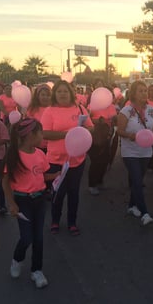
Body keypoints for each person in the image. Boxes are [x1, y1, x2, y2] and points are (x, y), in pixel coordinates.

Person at [2, 118, 59, 288]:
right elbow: (5, 182)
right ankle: (17, 260)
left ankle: (37, 270)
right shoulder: (13, 156)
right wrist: (11, 203)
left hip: (39, 199)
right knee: (27, 237)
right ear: (30, 135)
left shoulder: (40, 154)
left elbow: (43, 176)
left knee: (39, 237)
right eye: (40, 132)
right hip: (22, 201)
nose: (43, 135)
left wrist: (58, 175)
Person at [41, 80, 94, 236]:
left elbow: (91, 127)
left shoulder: (80, 108)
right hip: (56, 160)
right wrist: (67, 134)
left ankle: (72, 222)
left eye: (65, 91)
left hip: (77, 160)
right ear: (55, 94)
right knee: (58, 192)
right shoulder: (49, 111)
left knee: (74, 193)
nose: (62, 94)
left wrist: (83, 131)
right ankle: (55, 221)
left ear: (71, 93)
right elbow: (45, 133)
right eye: (59, 91)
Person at [116, 80, 153, 226]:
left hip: (146, 152)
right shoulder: (126, 111)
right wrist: (131, 136)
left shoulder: (152, 110)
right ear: (133, 93)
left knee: (138, 181)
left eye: (145, 90)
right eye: (140, 90)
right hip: (130, 152)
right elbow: (120, 131)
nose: (144, 93)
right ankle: (145, 213)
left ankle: (131, 206)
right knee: (136, 180)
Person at [87, 99, 117, 195]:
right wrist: (98, 121)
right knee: (96, 160)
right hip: (95, 134)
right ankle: (92, 184)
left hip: (107, 134)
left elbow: (114, 119)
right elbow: (87, 118)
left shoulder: (111, 106)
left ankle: (100, 181)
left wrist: (113, 120)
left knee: (105, 159)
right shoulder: (93, 105)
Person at [27, 84, 52, 152]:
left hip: (51, 145)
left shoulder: (54, 109)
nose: (45, 97)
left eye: (48, 95)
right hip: (36, 145)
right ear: (38, 96)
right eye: (43, 95)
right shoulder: (32, 109)